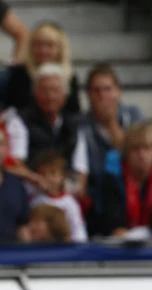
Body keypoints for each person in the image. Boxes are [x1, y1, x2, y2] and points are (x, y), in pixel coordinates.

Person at [79, 64, 144, 234]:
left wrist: (112, 124)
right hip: (100, 192)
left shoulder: (134, 115)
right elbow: (92, 170)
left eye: (107, 89)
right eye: (96, 90)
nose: (102, 95)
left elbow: (138, 153)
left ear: (118, 92)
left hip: (134, 183)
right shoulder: (81, 125)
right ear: (88, 95)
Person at [19, 63, 86, 193]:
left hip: (66, 192)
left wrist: (64, 191)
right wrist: (39, 181)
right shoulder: (20, 121)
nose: (50, 96)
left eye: (55, 90)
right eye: (44, 90)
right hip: (31, 191)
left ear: (65, 96)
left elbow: (81, 171)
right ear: (35, 94)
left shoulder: (75, 125)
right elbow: (16, 164)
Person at [2, 22, 80, 115]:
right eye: (38, 45)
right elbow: (12, 108)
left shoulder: (70, 76)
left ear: (60, 49)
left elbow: (74, 113)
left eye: (49, 45)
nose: (43, 50)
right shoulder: (20, 74)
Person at [90, 120, 152, 237]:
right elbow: (114, 228)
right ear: (127, 153)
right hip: (115, 244)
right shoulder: (111, 179)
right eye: (136, 149)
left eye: (147, 148)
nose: (142, 155)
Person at [29, 149, 87, 243]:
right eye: (43, 174)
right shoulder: (36, 201)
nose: (48, 178)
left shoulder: (70, 203)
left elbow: (78, 230)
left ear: (62, 177)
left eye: (53, 173)